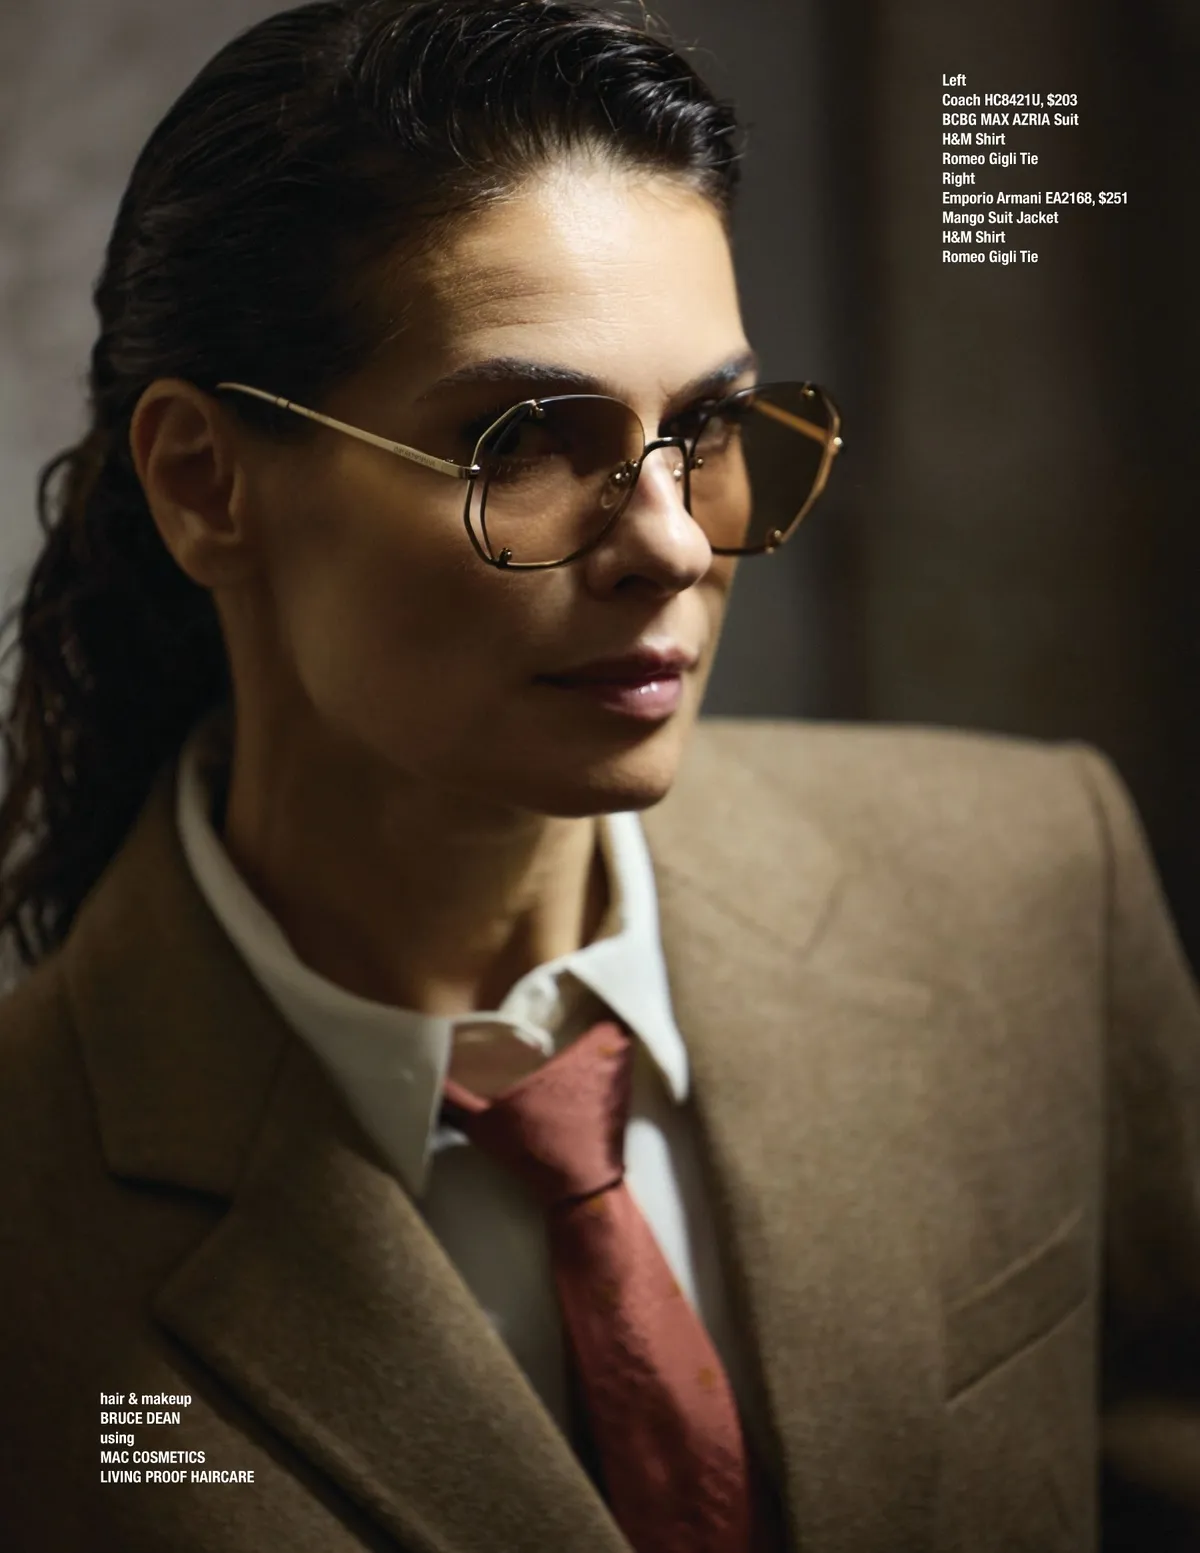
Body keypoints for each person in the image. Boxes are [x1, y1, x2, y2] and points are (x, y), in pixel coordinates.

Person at [0, 0, 1196, 1548]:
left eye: (709, 424)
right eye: (525, 439)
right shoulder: (35, 1212)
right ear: (202, 481)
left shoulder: (1030, 888)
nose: (675, 545)